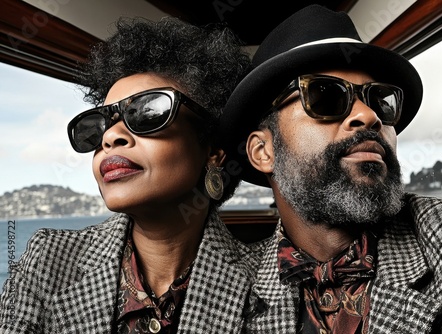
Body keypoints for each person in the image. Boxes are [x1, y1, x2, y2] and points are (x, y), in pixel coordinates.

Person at [219, 5, 442, 333]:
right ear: (263, 151)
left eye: (380, 100)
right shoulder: (229, 292)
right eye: (324, 96)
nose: (370, 116)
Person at [0, 17, 257, 333]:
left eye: (147, 112)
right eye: (98, 126)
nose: (110, 137)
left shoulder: (266, 283)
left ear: (213, 151)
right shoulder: (47, 260)